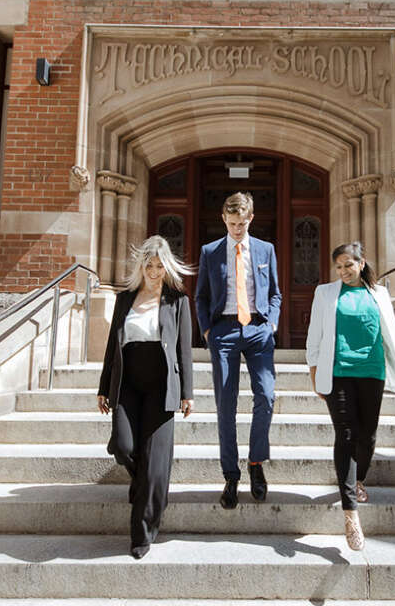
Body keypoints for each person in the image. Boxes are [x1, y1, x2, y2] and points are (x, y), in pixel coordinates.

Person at [304, 241, 395, 550]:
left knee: (367, 436)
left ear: (362, 263)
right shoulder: (325, 293)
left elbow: (392, 331)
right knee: (345, 434)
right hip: (339, 371)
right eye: (339, 266)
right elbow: (314, 334)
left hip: (372, 371)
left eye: (349, 265)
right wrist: (315, 373)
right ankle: (351, 514)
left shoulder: (379, 294)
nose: (343, 271)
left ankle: (358, 479)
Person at [97, 235, 196, 559]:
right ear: (141, 266)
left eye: (159, 266)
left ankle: (142, 533)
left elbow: (183, 351)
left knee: (155, 466)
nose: (153, 272)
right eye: (148, 265)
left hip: (161, 385)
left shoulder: (177, 301)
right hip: (128, 383)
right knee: (124, 447)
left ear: (167, 267)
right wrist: (103, 388)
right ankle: (144, 487)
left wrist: (187, 394)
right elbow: (113, 345)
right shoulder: (125, 298)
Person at [195, 191, 282, 509]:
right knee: (225, 406)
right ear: (223, 219)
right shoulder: (210, 251)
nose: (236, 228)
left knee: (266, 396)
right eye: (231, 223)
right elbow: (201, 295)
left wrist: (271, 323)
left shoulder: (265, 249)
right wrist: (208, 330)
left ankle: (256, 463)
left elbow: (275, 293)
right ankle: (230, 475)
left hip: (258, 330)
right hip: (224, 331)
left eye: (241, 223)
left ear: (251, 219)